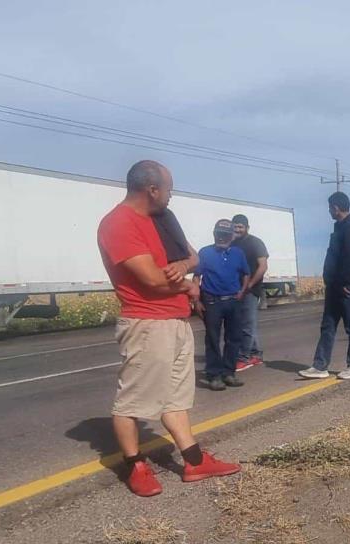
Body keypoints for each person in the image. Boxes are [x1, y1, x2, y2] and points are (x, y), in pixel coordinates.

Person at [97, 160, 240, 497]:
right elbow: (149, 280)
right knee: (131, 402)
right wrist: (188, 287)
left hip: (175, 322)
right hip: (147, 322)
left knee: (176, 399)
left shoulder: (162, 220)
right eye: (170, 188)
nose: (171, 195)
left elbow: (194, 258)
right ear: (152, 189)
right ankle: (135, 466)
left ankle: (193, 461)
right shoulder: (119, 223)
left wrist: (181, 267)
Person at [298, 192, 350, 380]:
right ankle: (320, 366)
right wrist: (330, 281)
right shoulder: (340, 227)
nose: (328, 211)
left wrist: (345, 282)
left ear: (336, 207)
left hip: (345, 286)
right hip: (334, 286)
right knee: (327, 326)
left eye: (329, 208)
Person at [194, 219, 251, 391]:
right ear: (214, 234)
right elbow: (196, 277)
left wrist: (242, 291)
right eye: (219, 234)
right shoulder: (204, 253)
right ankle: (214, 375)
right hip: (212, 302)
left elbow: (246, 274)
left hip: (233, 301)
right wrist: (196, 300)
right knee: (212, 339)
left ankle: (229, 373)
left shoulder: (238, 253)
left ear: (231, 236)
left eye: (225, 235)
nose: (222, 238)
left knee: (234, 339)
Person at [231, 214, 268, 371]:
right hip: (237, 289)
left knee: (246, 324)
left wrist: (250, 285)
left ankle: (244, 357)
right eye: (235, 226)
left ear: (247, 228)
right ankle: (255, 354)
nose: (238, 229)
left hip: (251, 290)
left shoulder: (255, 242)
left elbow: (263, 266)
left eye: (241, 227)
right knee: (243, 323)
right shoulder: (232, 243)